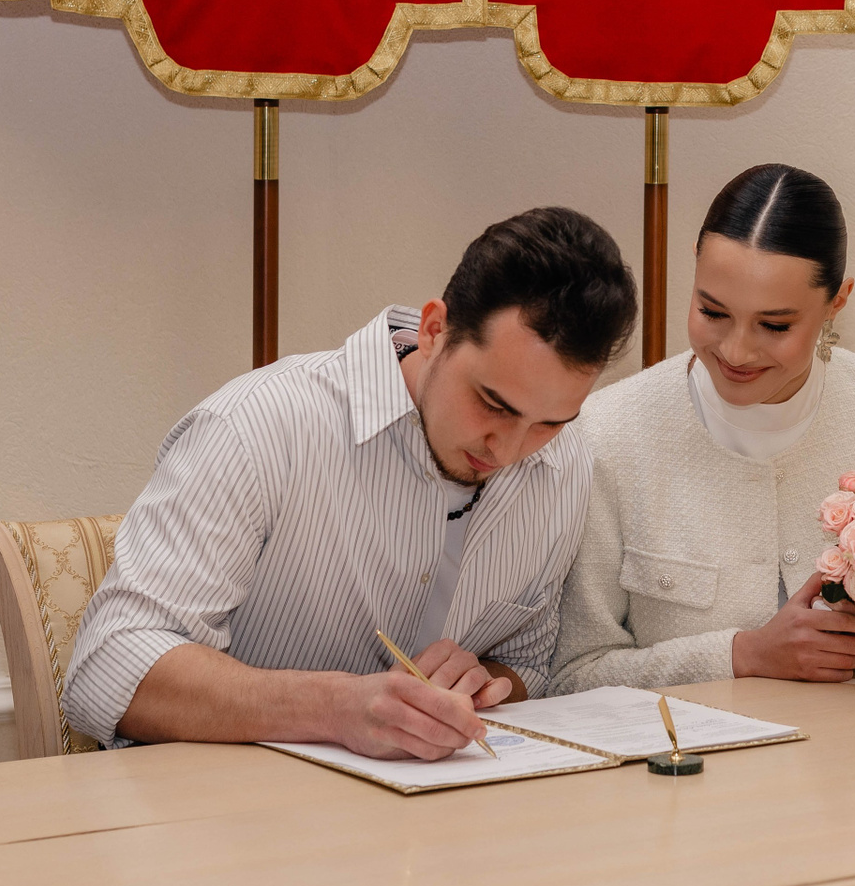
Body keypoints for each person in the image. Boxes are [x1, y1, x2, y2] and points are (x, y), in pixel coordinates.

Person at [64, 207, 637, 760]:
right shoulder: (258, 425)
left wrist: (482, 682)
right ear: (434, 330)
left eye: (549, 423)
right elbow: (108, 666)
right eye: (493, 404)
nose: (508, 451)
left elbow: (530, 664)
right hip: (225, 807)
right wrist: (334, 708)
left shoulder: (564, 466)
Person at [552, 165, 855, 693]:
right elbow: (574, 674)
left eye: (774, 325)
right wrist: (743, 655)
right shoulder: (607, 432)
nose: (736, 352)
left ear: (837, 301)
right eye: (712, 312)